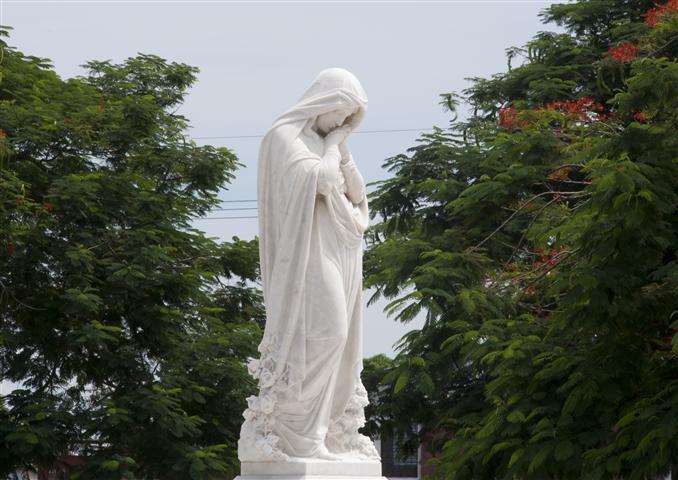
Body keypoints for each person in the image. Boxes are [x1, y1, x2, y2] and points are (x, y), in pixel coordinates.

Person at [237, 68, 380, 463]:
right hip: (307, 253)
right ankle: (299, 435)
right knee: (326, 332)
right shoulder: (285, 136)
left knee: (342, 337)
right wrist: (334, 146)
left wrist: (342, 150)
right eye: (340, 113)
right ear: (324, 101)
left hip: (340, 247)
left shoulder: (326, 141)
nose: (343, 123)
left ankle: (328, 433)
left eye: (350, 117)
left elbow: (357, 195)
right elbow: (319, 182)